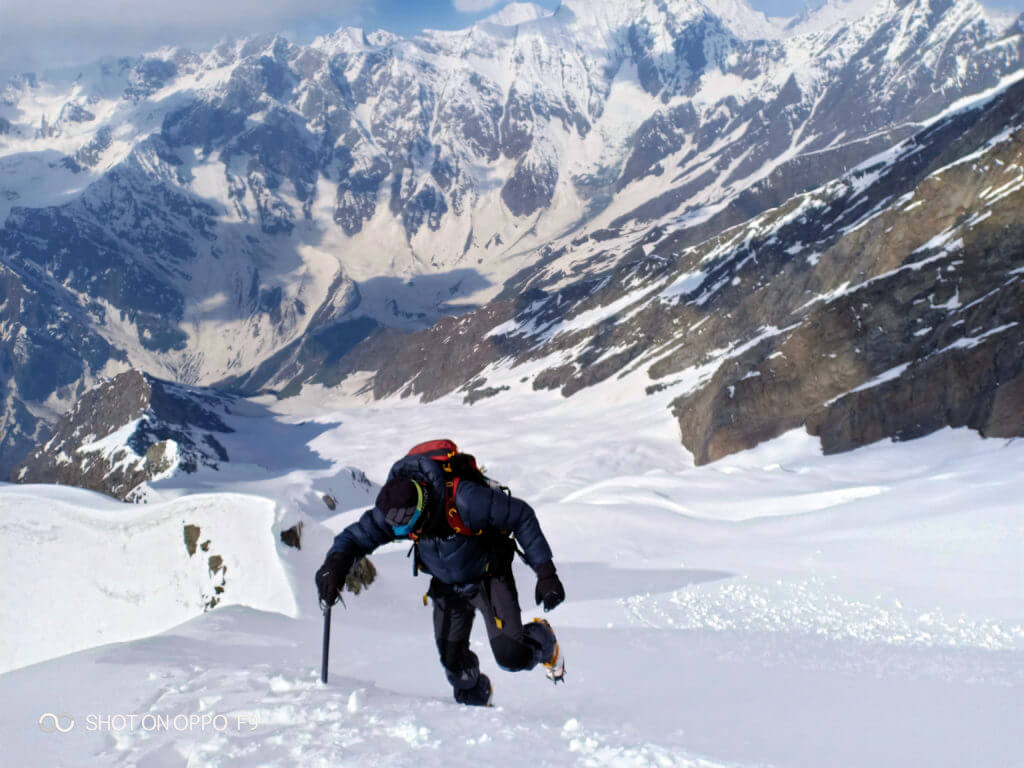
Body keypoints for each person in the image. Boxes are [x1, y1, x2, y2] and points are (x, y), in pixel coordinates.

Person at [315, 443, 566, 706]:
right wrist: (336, 563)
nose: (407, 535)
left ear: (422, 509)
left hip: (488, 576)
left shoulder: (465, 500)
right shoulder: (395, 510)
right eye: (399, 532)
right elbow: (355, 537)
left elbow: (520, 516)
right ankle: (480, 708)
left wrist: (546, 573)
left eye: (409, 529)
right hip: (446, 585)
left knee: (512, 656)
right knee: (456, 670)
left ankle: (545, 641)